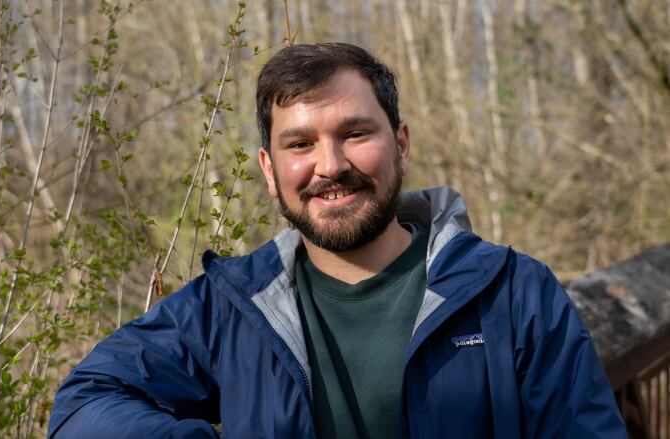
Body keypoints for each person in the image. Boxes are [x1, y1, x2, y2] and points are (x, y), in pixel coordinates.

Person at [49, 43, 626, 438]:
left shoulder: (514, 294)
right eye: (300, 144)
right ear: (270, 170)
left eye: (355, 134)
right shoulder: (232, 308)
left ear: (400, 144)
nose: (330, 165)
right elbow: (84, 404)